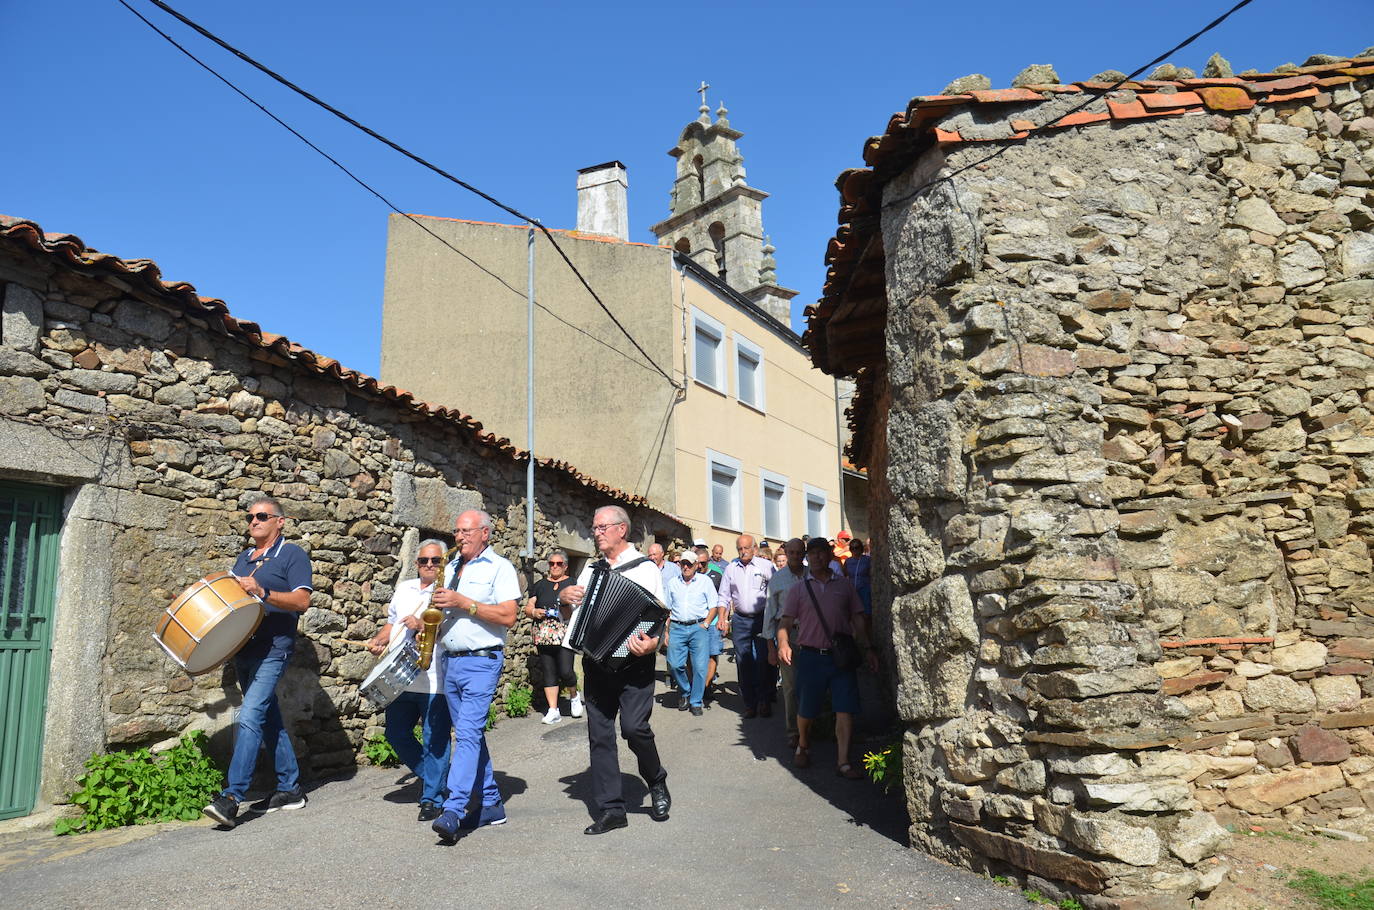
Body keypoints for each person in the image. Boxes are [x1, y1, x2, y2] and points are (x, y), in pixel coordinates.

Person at [203, 497, 313, 828]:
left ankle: (232, 796)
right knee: (268, 719)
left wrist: (262, 591)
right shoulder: (244, 558)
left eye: (262, 516)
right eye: (250, 516)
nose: (254, 521)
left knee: (250, 714)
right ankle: (290, 789)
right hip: (244, 649)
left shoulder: (291, 555)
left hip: (274, 649)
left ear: (280, 521)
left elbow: (303, 601)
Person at [560, 505, 670, 835]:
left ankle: (656, 780)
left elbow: (660, 618)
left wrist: (651, 644)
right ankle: (612, 809)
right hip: (596, 661)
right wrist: (565, 598)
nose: (596, 533)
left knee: (635, 729)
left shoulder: (645, 568)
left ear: (621, 529)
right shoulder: (591, 571)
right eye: (594, 528)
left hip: (634, 662)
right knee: (600, 735)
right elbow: (575, 617)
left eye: (601, 527)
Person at [429, 510, 521, 845]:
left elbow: (508, 616)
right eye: (456, 531)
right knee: (470, 734)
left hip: (482, 661)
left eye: (466, 531)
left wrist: (463, 602)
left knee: (466, 733)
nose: (459, 537)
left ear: (485, 533)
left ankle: (453, 809)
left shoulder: (501, 568)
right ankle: (492, 804)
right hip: (450, 661)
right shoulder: (450, 568)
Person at [366, 540, 453, 822]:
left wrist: (424, 625)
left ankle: (431, 798)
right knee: (396, 733)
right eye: (423, 561)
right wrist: (379, 640)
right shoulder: (405, 588)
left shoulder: (450, 590)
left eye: (435, 561)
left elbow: (452, 628)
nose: (429, 565)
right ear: (416, 563)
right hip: (401, 676)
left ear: (443, 563)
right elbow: (392, 623)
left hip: (434, 677)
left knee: (434, 739)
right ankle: (438, 779)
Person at [777, 536, 878, 778]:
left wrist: (868, 649)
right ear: (807, 557)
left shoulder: (844, 586)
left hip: (840, 657)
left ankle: (843, 761)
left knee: (844, 708)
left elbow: (858, 618)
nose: (818, 557)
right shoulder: (799, 589)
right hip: (811, 657)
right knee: (806, 709)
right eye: (813, 553)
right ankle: (803, 743)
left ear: (830, 555)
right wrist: (782, 643)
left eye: (822, 552)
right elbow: (786, 621)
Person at [718, 534, 775, 719]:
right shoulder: (731, 568)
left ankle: (764, 701)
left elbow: (774, 593)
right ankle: (749, 703)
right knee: (743, 662)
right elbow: (724, 596)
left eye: (746, 548)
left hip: (761, 619)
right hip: (740, 620)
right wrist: (722, 619)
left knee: (762, 660)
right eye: (740, 549)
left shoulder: (766, 566)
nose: (743, 552)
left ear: (755, 549)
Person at [524, 550, 582, 724]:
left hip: (564, 633)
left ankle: (574, 695)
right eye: (551, 564)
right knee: (549, 672)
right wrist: (534, 612)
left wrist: (562, 604)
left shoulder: (572, 583)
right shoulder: (540, 585)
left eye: (559, 564)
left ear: (565, 566)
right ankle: (553, 709)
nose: (555, 567)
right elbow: (528, 607)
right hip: (544, 634)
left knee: (565, 670)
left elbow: (576, 610)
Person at [763, 538, 806, 750]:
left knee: (810, 684)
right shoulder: (777, 580)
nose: (796, 556)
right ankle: (793, 731)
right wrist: (771, 646)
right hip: (786, 636)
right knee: (789, 687)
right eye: (793, 553)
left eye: (800, 552)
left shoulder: (812, 576)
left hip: (811, 635)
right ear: (786, 553)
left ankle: (810, 726)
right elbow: (769, 614)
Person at [664, 551, 716, 715]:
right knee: (674, 664)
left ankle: (695, 701)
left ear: (696, 565)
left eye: (689, 564)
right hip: (677, 627)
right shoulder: (673, 583)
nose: (685, 567)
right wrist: (666, 632)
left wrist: (706, 623)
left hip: (698, 627)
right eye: (683, 564)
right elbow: (667, 608)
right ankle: (686, 691)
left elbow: (713, 605)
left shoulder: (705, 581)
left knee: (700, 668)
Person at [845, 538, 873, 616]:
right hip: (853, 591)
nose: (854, 550)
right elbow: (845, 575)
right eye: (852, 548)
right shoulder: (848, 561)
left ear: (861, 548)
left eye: (857, 547)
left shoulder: (867, 560)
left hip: (865, 590)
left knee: (866, 613)